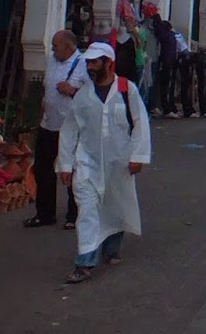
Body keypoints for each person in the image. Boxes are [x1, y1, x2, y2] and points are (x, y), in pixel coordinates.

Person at [59, 42, 151, 285]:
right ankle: (84, 262)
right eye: (88, 62)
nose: (90, 66)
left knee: (114, 205)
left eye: (95, 62)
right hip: (87, 163)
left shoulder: (126, 89)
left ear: (108, 63)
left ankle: (111, 249)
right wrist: (66, 164)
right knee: (87, 211)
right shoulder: (83, 95)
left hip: (119, 163)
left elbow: (140, 123)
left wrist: (138, 156)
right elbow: (70, 129)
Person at [26, 30, 83, 229]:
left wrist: (73, 90)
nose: (52, 49)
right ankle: (45, 213)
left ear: (69, 47)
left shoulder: (83, 64)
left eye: (56, 46)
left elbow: (92, 95)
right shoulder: (52, 61)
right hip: (49, 124)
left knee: (73, 170)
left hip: (71, 128)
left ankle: (74, 215)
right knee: (43, 169)